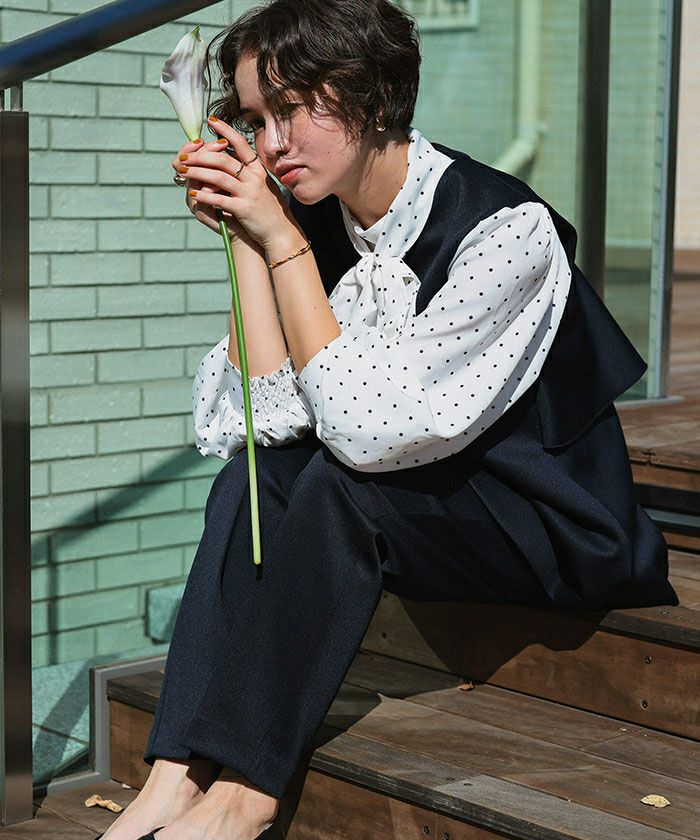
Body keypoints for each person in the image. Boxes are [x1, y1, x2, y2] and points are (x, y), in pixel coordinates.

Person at [96, 1, 679, 838]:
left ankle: (247, 793)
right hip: (422, 511)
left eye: (292, 110)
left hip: (545, 526)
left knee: (340, 486)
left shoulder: (503, 228)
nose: (271, 145)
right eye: (255, 120)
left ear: (369, 96)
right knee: (255, 480)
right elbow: (260, 422)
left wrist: (284, 245)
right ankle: (175, 772)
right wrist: (249, 243)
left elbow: (368, 434)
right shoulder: (316, 217)